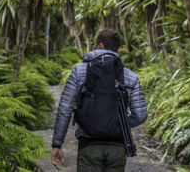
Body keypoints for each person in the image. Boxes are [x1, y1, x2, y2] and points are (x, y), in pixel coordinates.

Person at [50, 28, 148, 171]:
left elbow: (65, 109)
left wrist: (57, 144)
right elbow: (140, 115)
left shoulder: (79, 71)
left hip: (89, 144)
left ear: (100, 45)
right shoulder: (130, 76)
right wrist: (117, 121)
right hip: (118, 146)